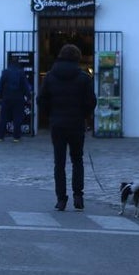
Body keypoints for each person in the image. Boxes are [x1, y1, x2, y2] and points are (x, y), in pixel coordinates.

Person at [37, 44, 96, 211]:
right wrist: (84, 115)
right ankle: (78, 196)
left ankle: (61, 199)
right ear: (77, 58)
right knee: (77, 159)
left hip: (57, 123)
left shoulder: (49, 77)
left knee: (59, 162)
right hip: (76, 123)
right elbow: (91, 101)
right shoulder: (84, 78)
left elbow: (41, 99)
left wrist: (50, 115)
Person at [0, 64, 31, 141]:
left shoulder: (5, 72)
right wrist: (28, 97)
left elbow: (0, 85)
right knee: (17, 118)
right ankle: (16, 137)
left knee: (3, 117)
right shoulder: (21, 73)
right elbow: (25, 86)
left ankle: (0, 136)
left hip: (6, 98)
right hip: (18, 98)